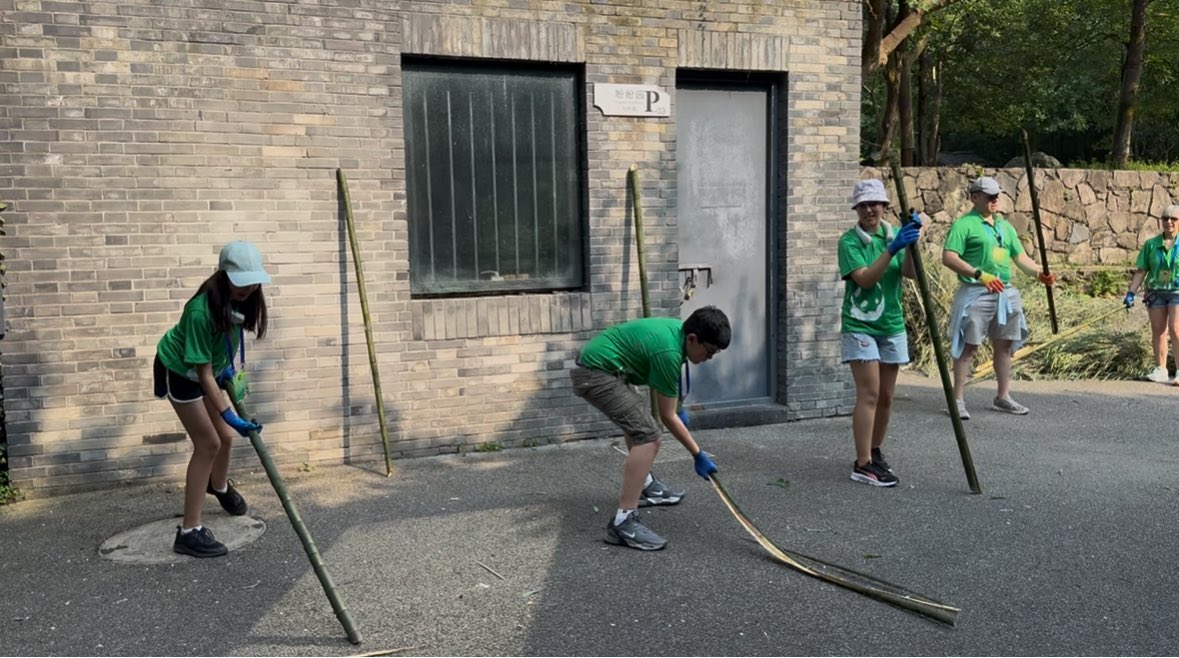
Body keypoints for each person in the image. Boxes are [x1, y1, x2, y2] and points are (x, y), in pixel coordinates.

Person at [571, 306, 729, 551]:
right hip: (595, 374)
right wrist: (698, 454)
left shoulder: (677, 332)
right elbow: (667, 417)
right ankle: (624, 522)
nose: (709, 358)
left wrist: (679, 407)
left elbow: (671, 389)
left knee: (637, 421)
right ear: (693, 339)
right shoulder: (668, 351)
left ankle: (644, 484)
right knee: (649, 436)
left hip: (609, 368)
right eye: (709, 352)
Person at [153, 241, 270, 558]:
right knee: (209, 444)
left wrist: (226, 373)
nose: (247, 288)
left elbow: (222, 347)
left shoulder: (240, 301)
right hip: (181, 371)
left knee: (226, 440)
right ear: (224, 275)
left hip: (206, 370)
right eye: (241, 281)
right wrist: (228, 412)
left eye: (252, 281)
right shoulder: (200, 311)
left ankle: (217, 486)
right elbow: (201, 373)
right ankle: (189, 532)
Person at [941, 176, 1055, 419]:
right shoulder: (964, 225)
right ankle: (957, 400)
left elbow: (1020, 258)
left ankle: (1003, 396)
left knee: (1004, 346)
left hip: (1005, 292)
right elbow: (949, 257)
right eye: (989, 195)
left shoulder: (1005, 226)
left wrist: (1038, 274)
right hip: (976, 293)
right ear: (974, 197)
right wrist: (978, 274)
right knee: (968, 346)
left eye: (997, 195)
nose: (995, 199)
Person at [838, 179, 922, 488]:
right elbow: (866, 280)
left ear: (885, 206)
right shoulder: (849, 242)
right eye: (863, 205)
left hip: (891, 325)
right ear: (856, 209)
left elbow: (911, 273)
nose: (870, 209)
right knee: (869, 393)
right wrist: (893, 247)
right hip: (859, 325)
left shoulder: (892, 235)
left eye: (875, 204)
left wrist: (912, 243)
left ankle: (874, 452)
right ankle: (862, 464)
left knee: (886, 397)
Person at [1123, 204, 1179, 385]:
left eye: (1173, 219)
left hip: (1177, 292)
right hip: (1156, 293)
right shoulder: (1151, 244)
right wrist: (1131, 292)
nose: (1169, 222)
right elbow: (1141, 271)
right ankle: (1161, 369)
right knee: (1159, 331)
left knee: (1176, 329)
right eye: (1165, 218)